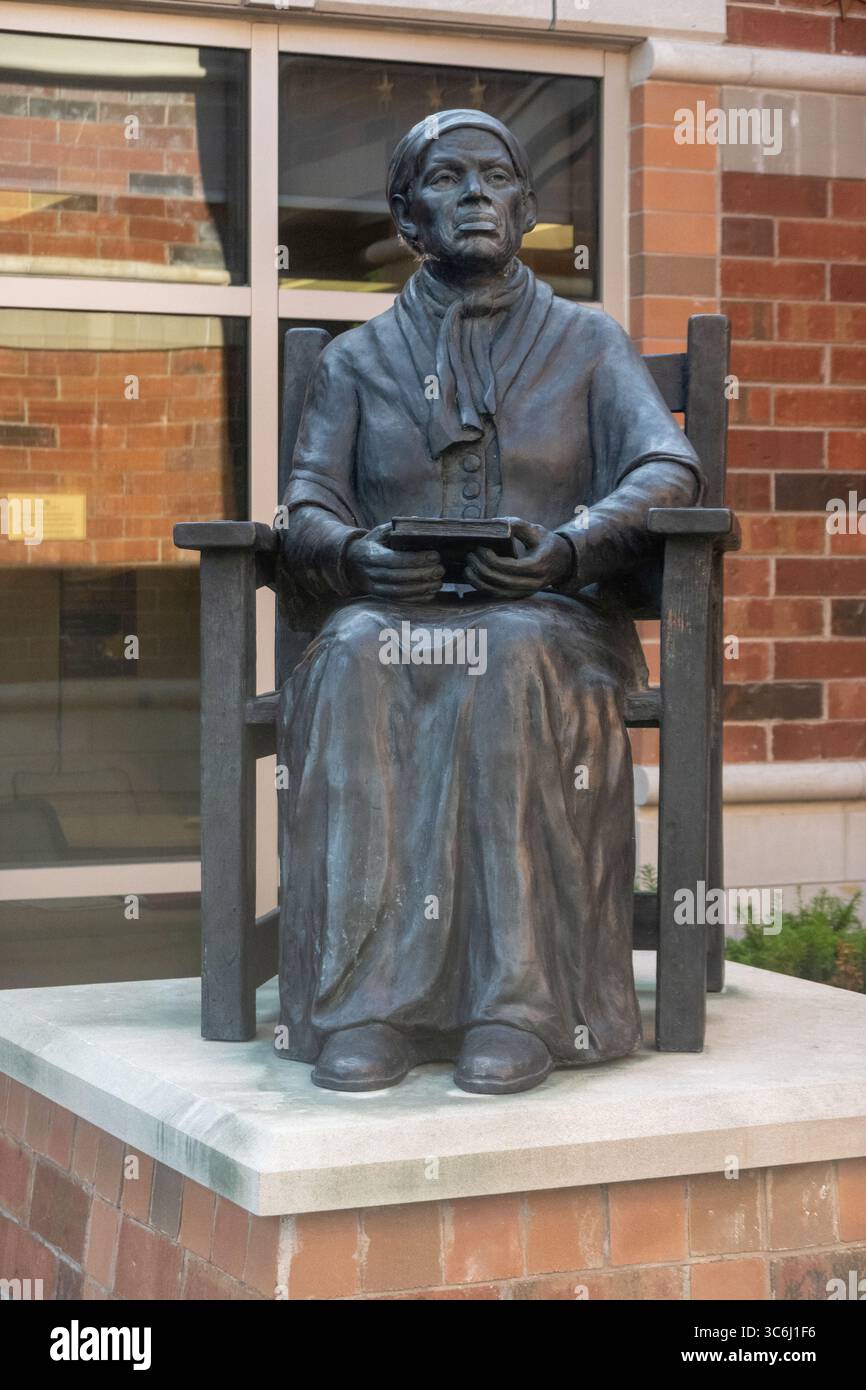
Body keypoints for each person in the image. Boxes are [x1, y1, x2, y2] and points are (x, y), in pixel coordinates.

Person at [276, 109, 702, 1094]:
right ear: (406, 216)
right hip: (396, 617)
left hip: (546, 618)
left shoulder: (587, 343)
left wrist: (567, 548)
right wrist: (355, 553)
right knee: (352, 655)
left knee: (505, 653)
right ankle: (367, 1005)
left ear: (525, 206)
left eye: (496, 177)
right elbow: (305, 501)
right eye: (447, 178)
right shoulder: (356, 360)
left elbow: (666, 470)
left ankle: (520, 1005)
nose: (475, 193)